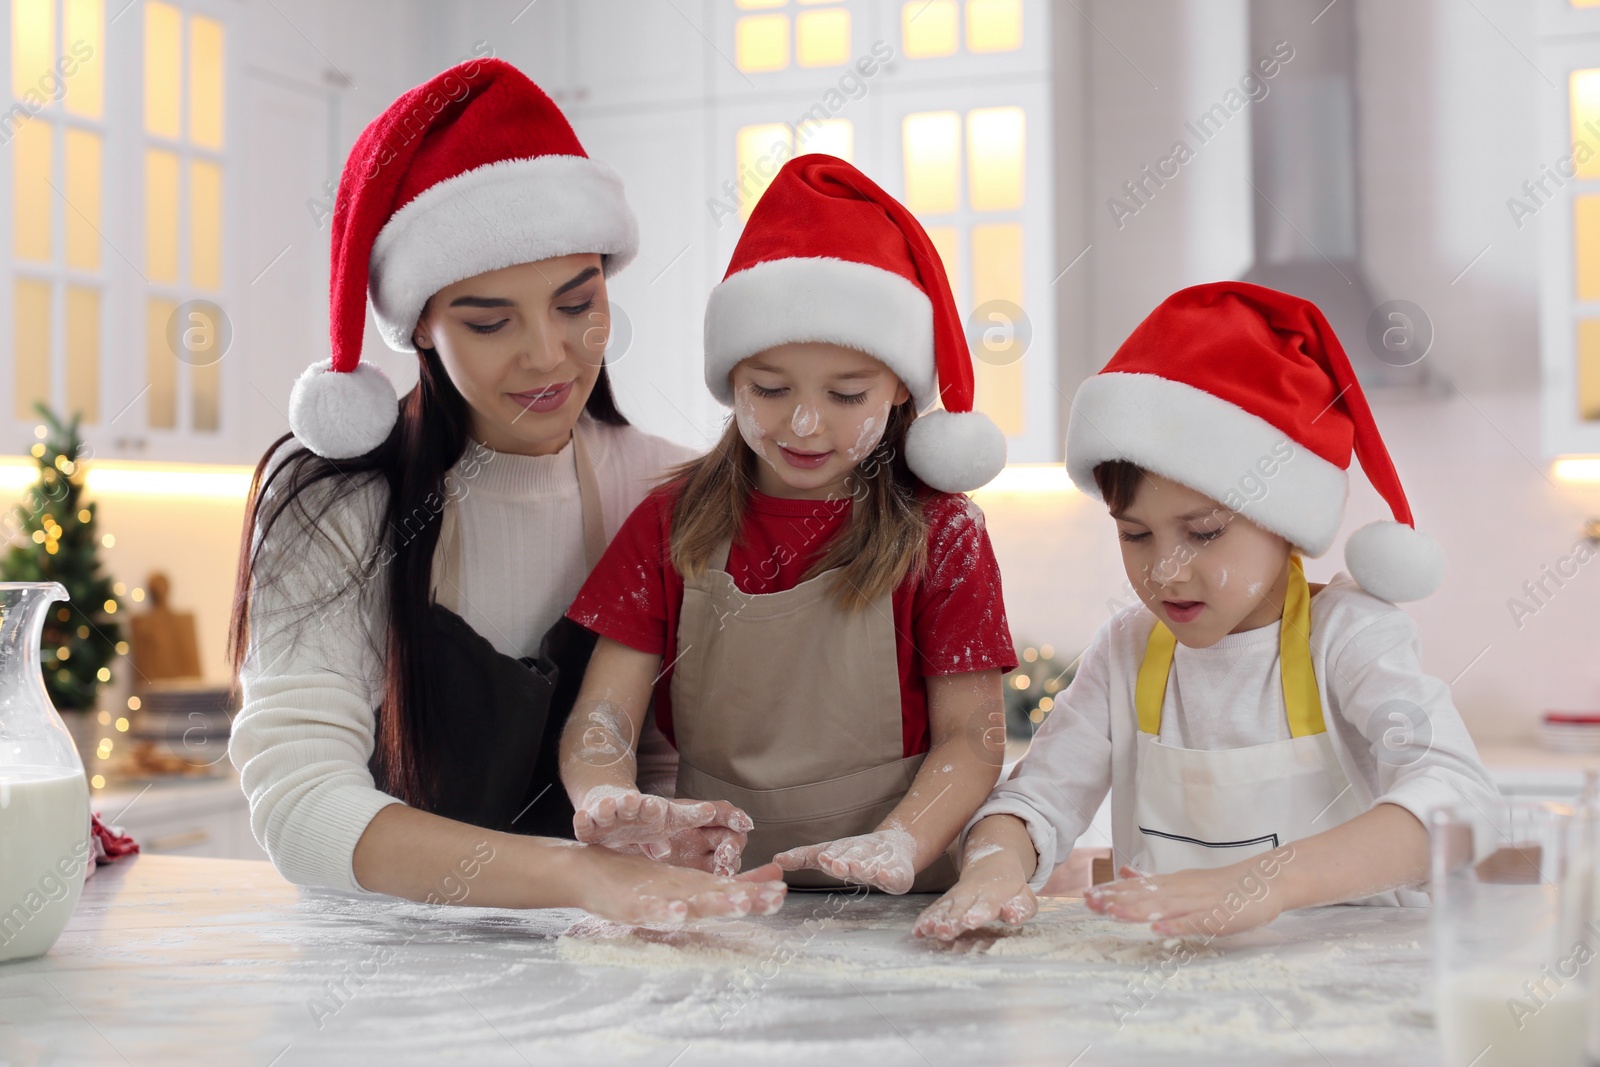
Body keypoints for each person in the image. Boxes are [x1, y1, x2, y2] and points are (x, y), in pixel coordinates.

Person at [228, 57, 781, 924]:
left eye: (577, 303)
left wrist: (663, 836)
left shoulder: (670, 488)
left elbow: (681, 757)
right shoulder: (333, 507)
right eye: (490, 322)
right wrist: (574, 875)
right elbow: (300, 808)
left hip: (617, 963)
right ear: (420, 328)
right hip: (385, 979)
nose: (548, 356)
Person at [915, 281, 1497, 939]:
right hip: (1176, 1004)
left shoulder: (1349, 638)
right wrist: (994, 865)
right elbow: (1035, 799)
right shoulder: (1129, 649)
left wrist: (1268, 881)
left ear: (1285, 522)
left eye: (1205, 532)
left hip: (1354, 1008)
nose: (1165, 569)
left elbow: (1461, 802)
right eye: (1135, 534)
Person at [557, 155, 1019, 894]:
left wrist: (900, 842)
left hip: (896, 896)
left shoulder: (943, 532)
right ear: (730, 378)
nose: (805, 424)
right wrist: (604, 794)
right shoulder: (669, 521)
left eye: (846, 392)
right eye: (769, 388)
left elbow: (973, 736)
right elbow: (604, 713)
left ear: (900, 387)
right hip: (722, 889)